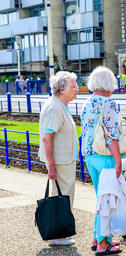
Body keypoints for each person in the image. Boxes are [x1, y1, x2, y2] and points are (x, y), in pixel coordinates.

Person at [80, 66, 124, 256]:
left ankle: (97, 237)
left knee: (100, 197)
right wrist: (118, 161)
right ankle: (103, 244)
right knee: (107, 201)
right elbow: (111, 136)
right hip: (105, 156)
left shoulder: (87, 102)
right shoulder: (109, 103)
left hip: (89, 155)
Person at [38, 71, 79, 246]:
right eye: (74, 86)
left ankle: (59, 232)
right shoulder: (55, 108)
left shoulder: (59, 105)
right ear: (62, 89)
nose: (77, 89)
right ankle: (59, 234)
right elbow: (47, 137)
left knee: (61, 196)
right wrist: (52, 166)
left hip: (63, 160)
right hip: (60, 161)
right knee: (63, 197)